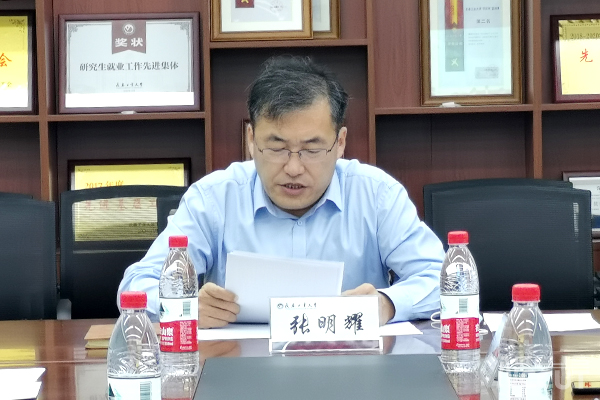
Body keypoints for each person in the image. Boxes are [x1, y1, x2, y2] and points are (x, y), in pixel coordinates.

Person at [118, 55, 444, 328]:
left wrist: (387, 303)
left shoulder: (376, 195)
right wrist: (183, 308)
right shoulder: (213, 199)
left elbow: (440, 279)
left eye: (312, 149)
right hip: (236, 370)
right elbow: (136, 286)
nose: (293, 167)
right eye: (276, 148)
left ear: (340, 142)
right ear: (251, 140)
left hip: (353, 368)